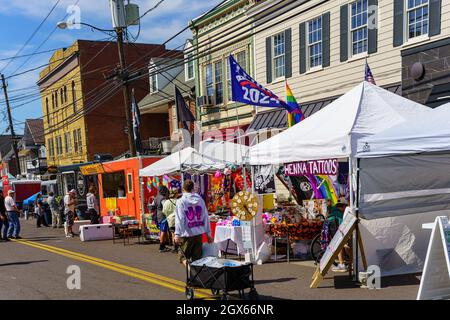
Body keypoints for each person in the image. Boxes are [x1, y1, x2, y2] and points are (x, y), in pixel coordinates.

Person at [174, 180, 213, 264]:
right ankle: (195, 275)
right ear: (193, 189)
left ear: (183, 188)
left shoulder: (181, 201)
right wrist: (208, 234)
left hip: (187, 234)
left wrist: (177, 234)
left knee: (182, 257)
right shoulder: (200, 200)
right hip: (198, 233)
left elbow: (180, 219)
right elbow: (205, 217)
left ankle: (191, 272)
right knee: (197, 259)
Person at [329, 199, 350, 273]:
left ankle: (345, 262)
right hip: (336, 230)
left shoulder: (333, 210)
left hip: (331, 229)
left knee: (340, 245)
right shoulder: (340, 214)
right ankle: (342, 264)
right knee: (341, 245)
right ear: (343, 206)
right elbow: (343, 226)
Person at [152, 186, 169, 252]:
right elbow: (165, 207)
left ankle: (163, 245)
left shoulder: (156, 197)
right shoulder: (163, 198)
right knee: (163, 231)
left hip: (158, 216)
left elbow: (152, 206)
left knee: (161, 230)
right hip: (163, 216)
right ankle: (161, 247)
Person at [163, 188, 179, 253]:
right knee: (179, 234)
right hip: (178, 220)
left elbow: (164, 211)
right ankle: (179, 248)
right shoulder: (178, 201)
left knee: (173, 234)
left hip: (171, 220)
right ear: (176, 194)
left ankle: (175, 248)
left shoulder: (166, 202)